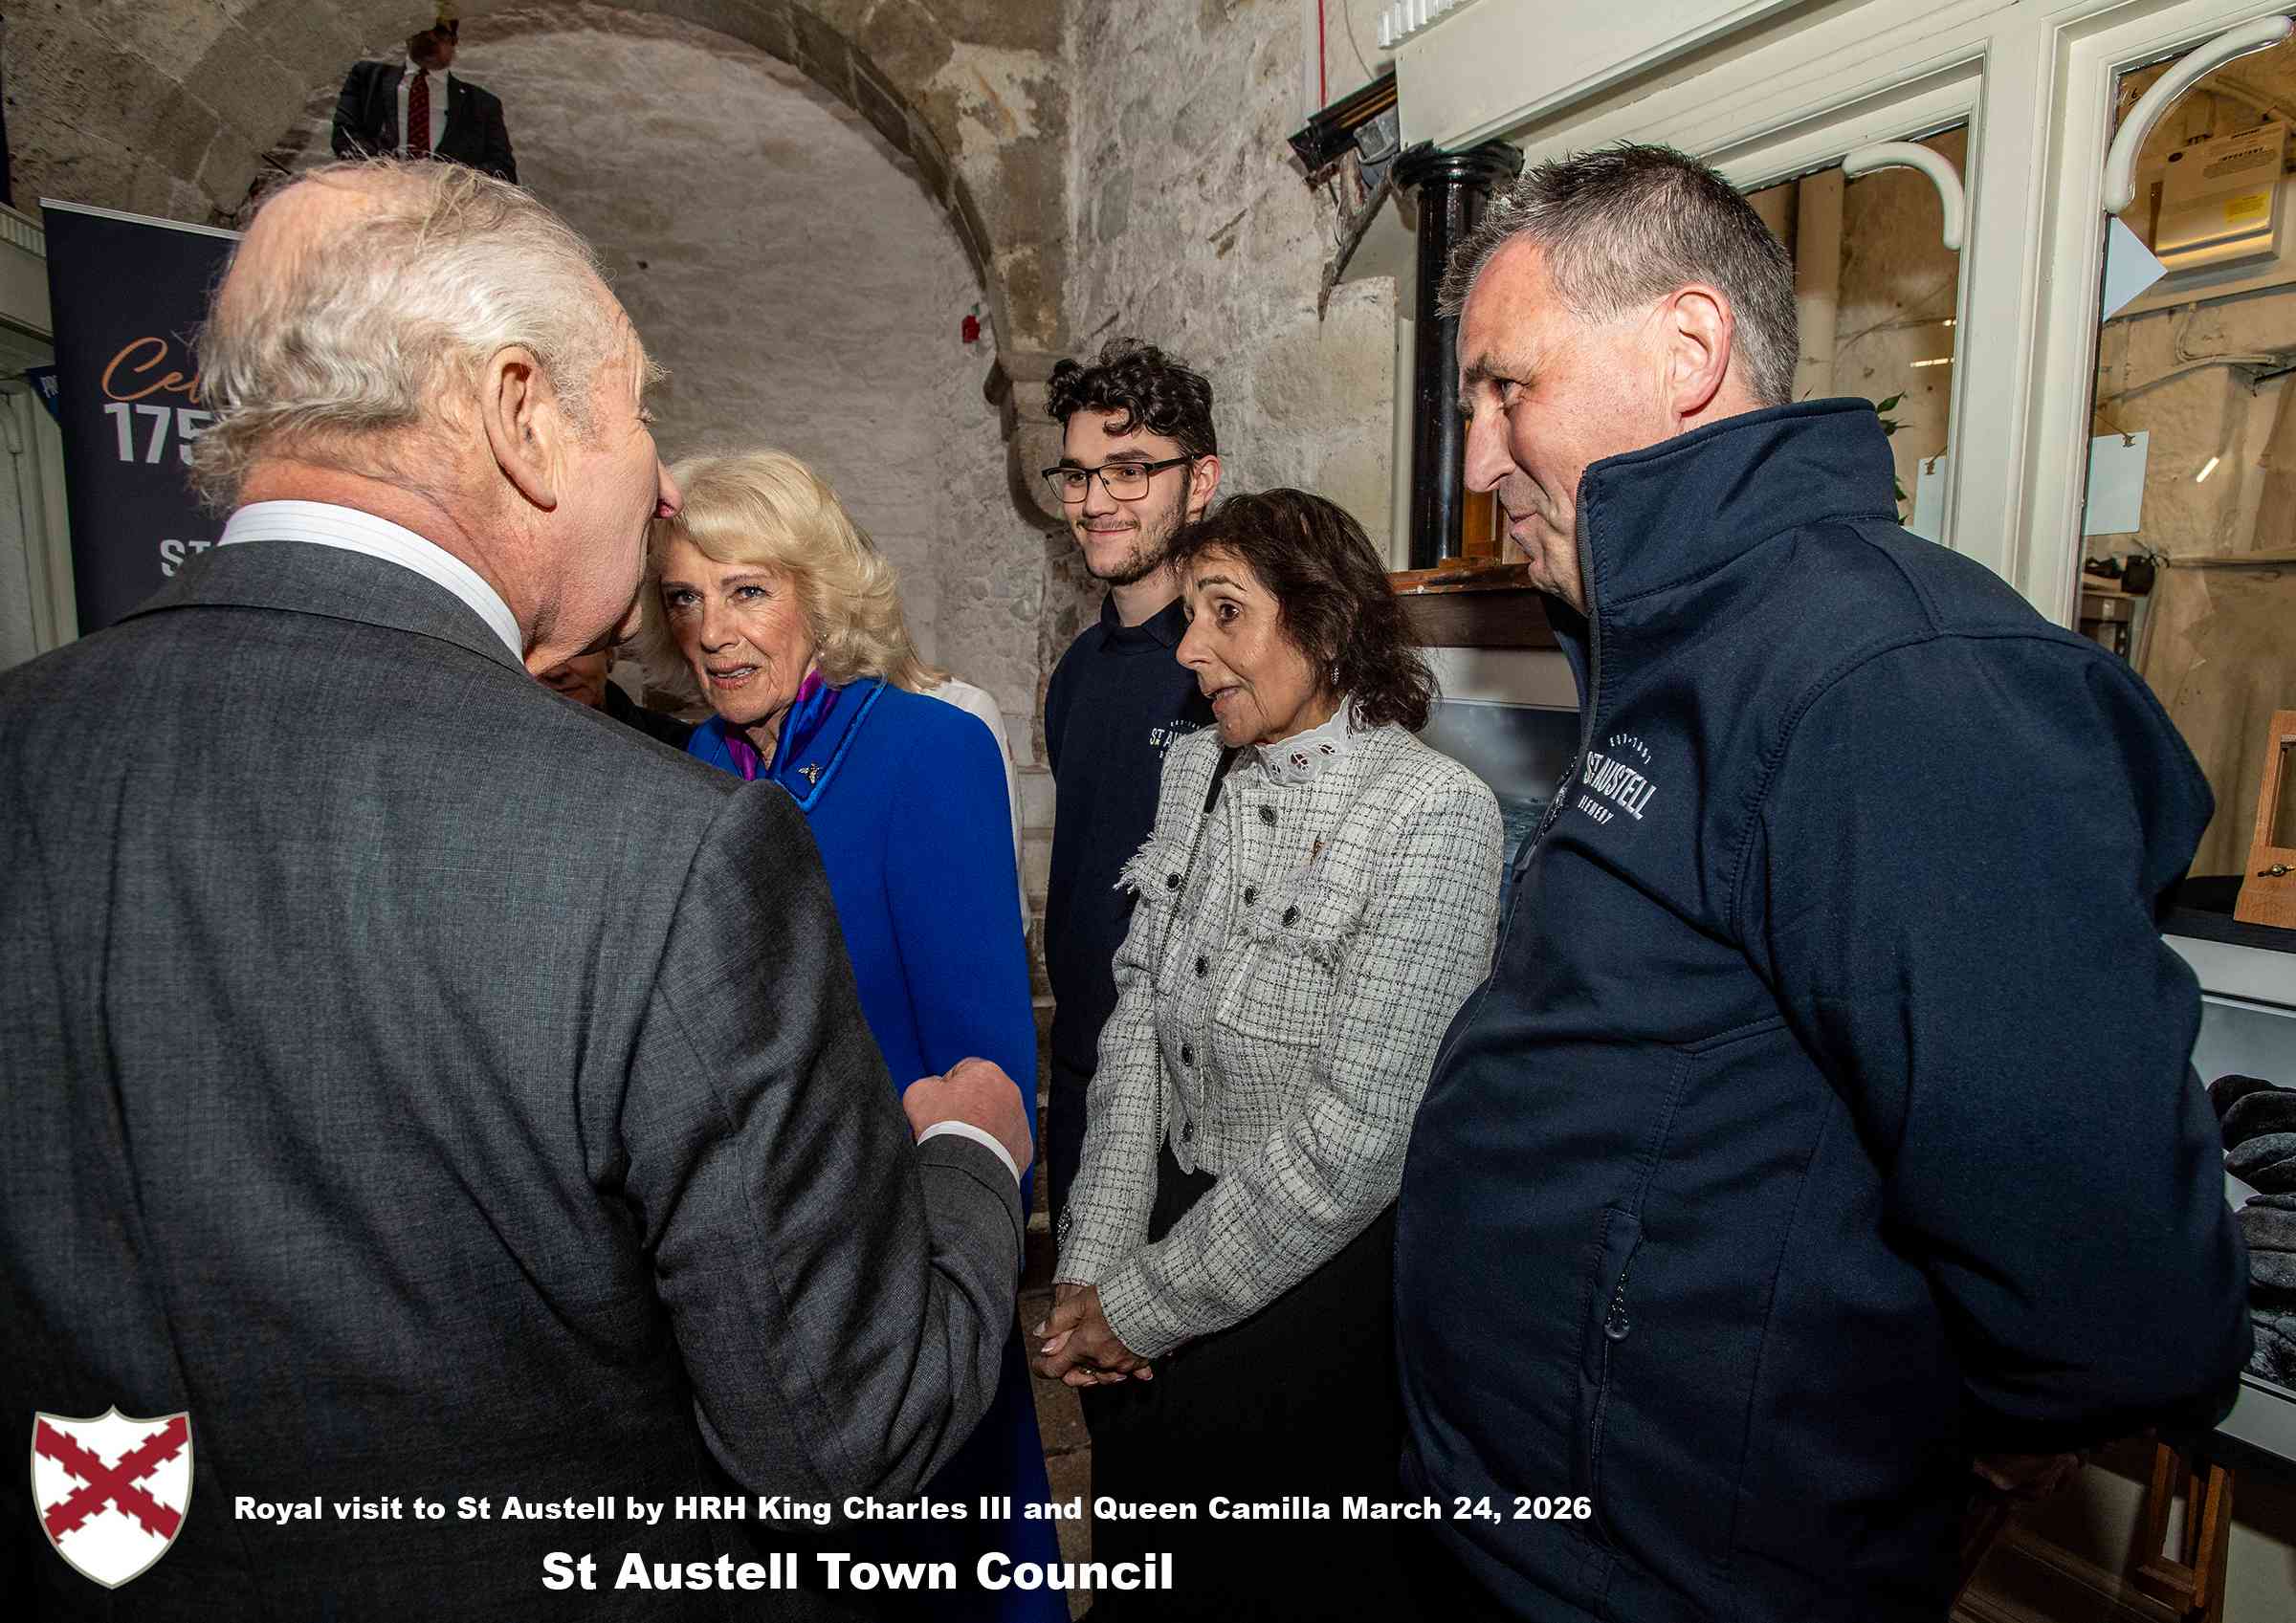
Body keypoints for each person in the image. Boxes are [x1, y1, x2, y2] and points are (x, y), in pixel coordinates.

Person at [0, 161, 1029, 1616]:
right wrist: (973, 1163)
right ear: (519, 412)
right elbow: (841, 1435)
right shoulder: (657, 844)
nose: (662, 483)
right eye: (639, 408)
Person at [1392, 143, 2252, 1623]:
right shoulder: (1677, 640)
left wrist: (1952, 1469)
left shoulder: (1888, 679)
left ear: (1686, 350)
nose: (1475, 463)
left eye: (1505, 391)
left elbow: (2112, 1287)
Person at [1037, 489, 1503, 1619]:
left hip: (1317, 1296)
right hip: (1163, 1238)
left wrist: (1141, 1305)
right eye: (1190, 613)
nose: (1190, 648)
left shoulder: (1434, 816)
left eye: (1224, 613)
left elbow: (1353, 1145)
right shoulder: (1199, 769)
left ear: (1327, 623)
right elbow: (1137, 1019)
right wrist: (1091, 1266)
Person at [632, 449, 1059, 1623]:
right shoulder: (693, 765)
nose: (712, 630)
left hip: (900, 1283)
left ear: (816, 591)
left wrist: (933, 1281)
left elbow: (989, 1073)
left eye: (747, 588)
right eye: (685, 595)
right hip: (735, 1290)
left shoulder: (924, 750)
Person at [1040, 339, 1222, 1238]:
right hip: (1078, 1076)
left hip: (1186, 1099)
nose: (1096, 500)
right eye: (1077, 475)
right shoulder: (1074, 674)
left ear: (1200, 482)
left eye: (1130, 469)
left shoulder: (1232, 672)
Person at [332, 15, 517, 184]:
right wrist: (389, 175)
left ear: (454, 42)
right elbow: (344, 137)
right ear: (408, 36)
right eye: (422, 27)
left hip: (450, 209)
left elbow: (503, 171)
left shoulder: (482, 103)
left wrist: (445, 182)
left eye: (440, 31)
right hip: (377, 197)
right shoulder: (368, 78)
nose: (430, 36)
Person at [537, 645, 695, 747]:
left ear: (609, 654)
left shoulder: (679, 745)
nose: (555, 672)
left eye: (574, 650)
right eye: (531, 654)